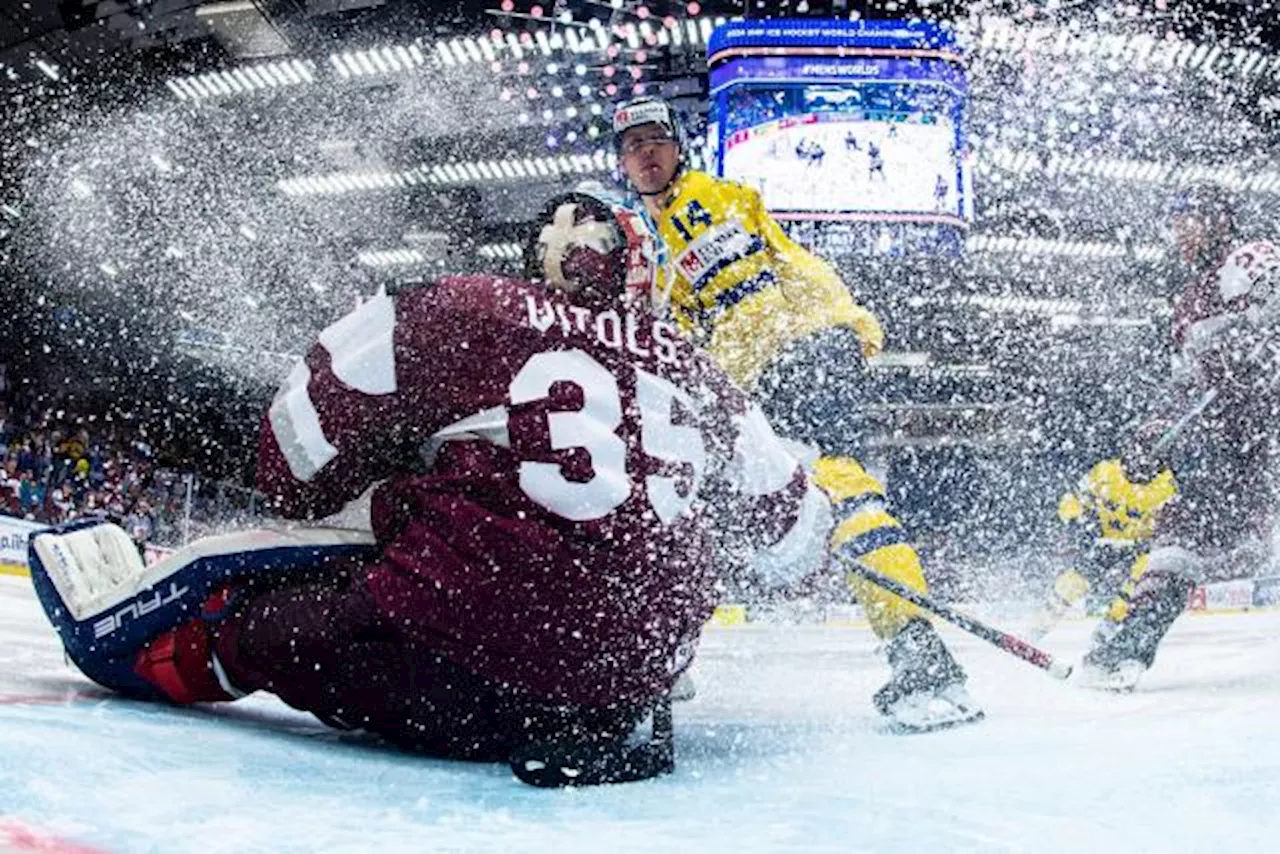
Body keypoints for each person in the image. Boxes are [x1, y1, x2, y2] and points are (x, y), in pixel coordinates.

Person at [28, 192, 829, 787]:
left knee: (263, 628)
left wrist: (359, 483)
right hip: (627, 694)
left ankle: (149, 650)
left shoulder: (464, 306)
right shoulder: (699, 367)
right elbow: (797, 540)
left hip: (460, 667)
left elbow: (292, 444)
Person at [612, 96, 982, 730]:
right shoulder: (657, 229)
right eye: (632, 146)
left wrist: (832, 329)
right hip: (766, 371)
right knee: (730, 505)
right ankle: (916, 650)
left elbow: (758, 293)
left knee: (800, 493)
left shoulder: (704, 201)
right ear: (622, 160)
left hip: (788, 358)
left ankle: (918, 656)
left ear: (678, 148)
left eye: (656, 141)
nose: (646, 154)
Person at [1082, 184, 1280, 689]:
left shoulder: (1250, 258)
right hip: (1235, 440)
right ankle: (1131, 639)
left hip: (1265, 427)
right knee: (1182, 529)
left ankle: (1128, 638)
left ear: (1217, 222)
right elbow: (1187, 383)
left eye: (1188, 221)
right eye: (1174, 225)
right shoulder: (1189, 300)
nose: (1179, 235)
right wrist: (1156, 431)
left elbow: (1266, 329)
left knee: (1193, 529)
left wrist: (1253, 350)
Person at [1027, 458, 1176, 650]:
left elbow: (1172, 521)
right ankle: (1038, 628)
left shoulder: (1167, 485)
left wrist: (1160, 535)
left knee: (1133, 589)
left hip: (1141, 548)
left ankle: (1108, 632)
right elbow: (1073, 498)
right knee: (1074, 581)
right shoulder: (1105, 471)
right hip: (1104, 541)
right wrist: (1076, 519)